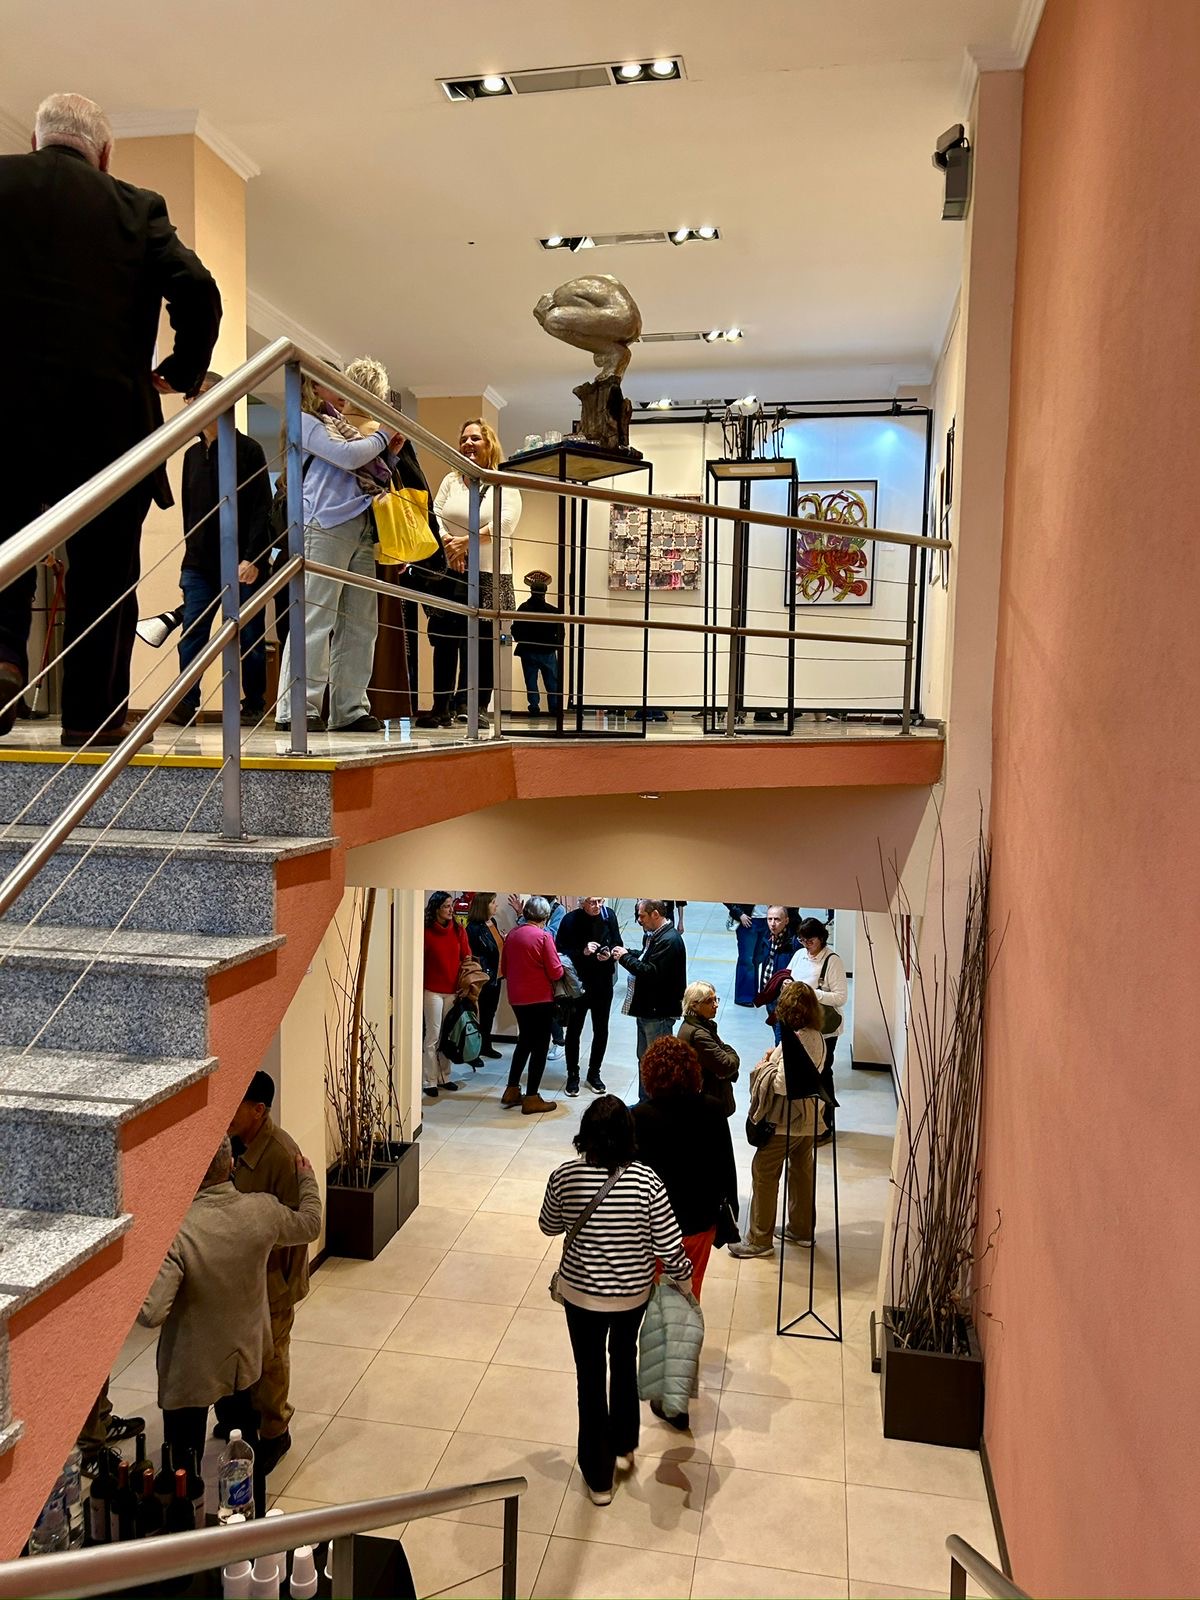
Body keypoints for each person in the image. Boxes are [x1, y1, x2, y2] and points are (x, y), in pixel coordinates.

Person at [0, 92, 221, 746]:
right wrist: (182, 370)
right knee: (104, 570)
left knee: (4, 545)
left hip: (4, 417)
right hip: (106, 425)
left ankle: (3, 658)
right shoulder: (135, 207)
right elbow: (198, 289)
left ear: (36, 142)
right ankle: (93, 720)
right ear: (104, 154)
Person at [138, 1136, 321, 1500]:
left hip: (190, 1371)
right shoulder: (262, 1211)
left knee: (183, 1467)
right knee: (244, 1448)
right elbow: (310, 1224)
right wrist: (307, 1180)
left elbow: (151, 1312)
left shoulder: (178, 1232)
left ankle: (188, 1525)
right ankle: (251, 1517)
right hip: (243, 1360)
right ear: (232, 1165)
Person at [538, 1096, 692, 1506]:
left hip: (581, 1296)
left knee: (589, 1378)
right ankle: (624, 1439)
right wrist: (685, 1279)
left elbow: (547, 1225)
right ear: (628, 1135)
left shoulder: (565, 1176)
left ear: (584, 1135)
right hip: (631, 1296)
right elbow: (669, 1245)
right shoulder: (647, 1182)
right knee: (623, 1360)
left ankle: (598, 1476)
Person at [273, 373, 403, 733]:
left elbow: (367, 474)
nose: (345, 392)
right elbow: (346, 457)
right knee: (316, 618)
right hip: (324, 522)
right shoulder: (306, 421)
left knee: (361, 623)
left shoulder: (341, 425)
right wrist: (383, 434)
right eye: (335, 382)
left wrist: (390, 454)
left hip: (359, 523)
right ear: (314, 385)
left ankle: (349, 709)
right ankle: (296, 707)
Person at [211, 1071, 309, 1474]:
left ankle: (275, 1431)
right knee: (242, 1350)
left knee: (272, 1358)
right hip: (238, 1277)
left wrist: (270, 1266)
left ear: (258, 1110)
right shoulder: (232, 1145)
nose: (228, 1112)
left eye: (237, 1104)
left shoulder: (282, 1155)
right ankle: (243, 1418)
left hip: (273, 1281)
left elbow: (299, 1226)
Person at [166, 371, 272, 728]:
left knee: (250, 636)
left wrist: (253, 558)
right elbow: (189, 513)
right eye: (190, 396)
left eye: (198, 394)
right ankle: (186, 703)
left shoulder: (249, 451)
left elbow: (261, 508)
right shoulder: (192, 456)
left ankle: (254, 703)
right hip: (199, 565)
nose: (190, 402)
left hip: (244, 562)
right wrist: (189, 558)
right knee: (192, 634)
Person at [632, 1035, 738, 1306]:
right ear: (693, 1070)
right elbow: (725, 1166)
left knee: (651, 1296)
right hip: (699, 1220)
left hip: (653, 1225)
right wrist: (730, 1212)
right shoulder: (713, 1109)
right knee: (690, 1293)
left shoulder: (639, 1117)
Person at [434, 419, 522, 726]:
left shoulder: (503, 483)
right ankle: (440, 707)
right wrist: (450, 545)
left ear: (489, 444)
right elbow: (435, 514)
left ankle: (475, 705)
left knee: (483, 642)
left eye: (475, 438)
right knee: (446, 638)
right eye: (464, 439)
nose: (468, 444)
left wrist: (465, 543)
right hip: (452, 569)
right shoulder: (450, 480)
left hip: (488, 573)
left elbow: (505, 523)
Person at [729, 982, 825, 1258]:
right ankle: (801, 1230)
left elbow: (784, 1084)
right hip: (809, 1118)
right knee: (801, 1173)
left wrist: (766, 1066)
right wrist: (776, 1057)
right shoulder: (816, 1035)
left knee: (764, 1172)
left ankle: (759, 1240)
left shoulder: (798, 1040)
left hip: (786, 1121)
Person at [613, 899, 687, 1097]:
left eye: (642, 916)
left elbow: (651, 972)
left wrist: (624, 958)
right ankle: (644, 1103)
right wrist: (627, 953)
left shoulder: (668, 940)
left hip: (658, 1013)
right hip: (648, 1009)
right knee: (645, 1060)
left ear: (655, 914)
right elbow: (647, 957)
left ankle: (655, 1104)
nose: (639, 920)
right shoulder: (657, 935)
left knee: (657, 1063)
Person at [499, 895, 562, 1114]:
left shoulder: (513, 934)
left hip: (516, 997)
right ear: (545, 916)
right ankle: (532, 1097)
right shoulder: (544, 937)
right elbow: (555, 972)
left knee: (524, 1041)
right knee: (540, 1046)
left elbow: (505, 968)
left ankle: (512, 1089)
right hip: (540, 998)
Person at [787, 915, 848, 1140]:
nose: (806, 945)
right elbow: (789, 976)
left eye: (810, 941)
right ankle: (806, 1120)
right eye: (802, 940)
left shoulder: (832, 960)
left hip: (824, 1029)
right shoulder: (799, 955)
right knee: (802, 1074)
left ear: (821, 938)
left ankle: (826, 1124)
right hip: (801, 1026)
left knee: (822, 1074)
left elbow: (841, 997)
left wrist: (812, 993)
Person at [556, 895, 622, 1096]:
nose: (597, 906)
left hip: (603, 982)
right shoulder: (570, 920)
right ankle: (572, 1074)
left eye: (600, 901)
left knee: (601, 1029)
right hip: (579, 983)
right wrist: (583, 951)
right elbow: (560, 950)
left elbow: (617, 942)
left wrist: (609, 954)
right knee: (574, 1030)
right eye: (593, 902)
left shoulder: (608, 916)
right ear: (582, 902)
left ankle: (594, 1073)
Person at [422, 891, 470, 1096]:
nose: (451, 910)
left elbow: (466, 957)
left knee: (447, 1035)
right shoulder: (425, 932)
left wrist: (465, 984)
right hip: (432, 990)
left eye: (451, 906)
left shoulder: (458, 930)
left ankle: (444, 1076)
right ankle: (429, 1081)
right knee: (433, 1035)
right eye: (446, 906)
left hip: (453, 990)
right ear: (436, 909)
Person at [677, 981, 740, 1116]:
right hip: (707, 1106)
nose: (716, 1005)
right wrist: (727, 1049)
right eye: (709, 1001)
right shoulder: (699, 1035)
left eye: (716, 999)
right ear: (694, 1005)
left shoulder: (697, 1025)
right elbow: (727, 1065)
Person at [511, 569, 563, 715]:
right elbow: (561, 632)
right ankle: (554, 707)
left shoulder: (523, 608)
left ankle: (534, 707)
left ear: (531, 591)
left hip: (528, 650)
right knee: (552, 682)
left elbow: (515, 628)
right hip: (547, 650)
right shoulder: (553, 611)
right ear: (545, 593)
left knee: (531, 681)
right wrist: (557, 645)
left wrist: (521, 640)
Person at [465, 892, 505, 1058]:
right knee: (481, 1012)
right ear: (484, 906)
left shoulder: (492, 923)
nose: (496, 905)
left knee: (490, 1012)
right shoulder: (473, 928)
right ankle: (476, 1048)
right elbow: (474, 955)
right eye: (493, 903)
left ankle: (486, 1045)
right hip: (483, 977)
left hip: (496, 975)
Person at [761, 904, 801, 1042]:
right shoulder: (768, 938)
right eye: (769, 919)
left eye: (777, 919)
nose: (772, 923)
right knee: (777, 1034)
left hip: (784, 998)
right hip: (769, 995)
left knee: (781, 1039)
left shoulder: (793, 943)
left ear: (786, 920)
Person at [725, 903, 771, 1006]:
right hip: (748, 920)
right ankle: (744, 996)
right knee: (747, 960)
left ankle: (756, 994)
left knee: (759, 959)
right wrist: (739, 913)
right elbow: (726, 897)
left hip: (767, 919)